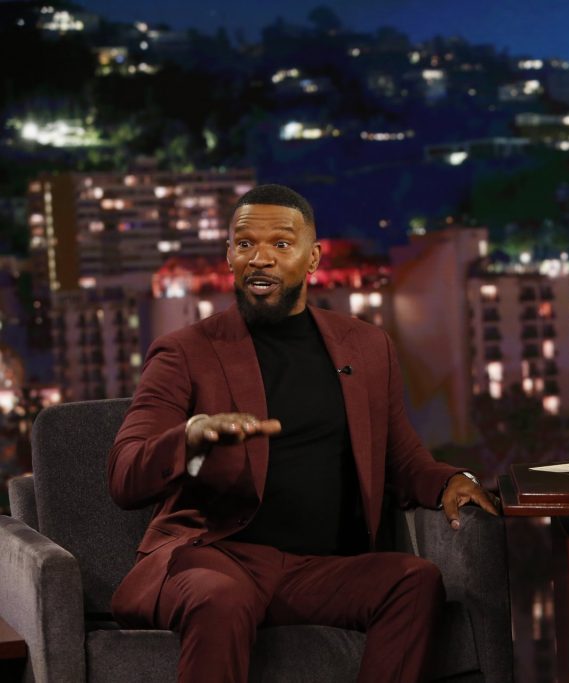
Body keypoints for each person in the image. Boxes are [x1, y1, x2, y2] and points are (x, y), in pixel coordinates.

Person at [107, 184, 499, 683]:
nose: (260, 258)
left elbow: (400, 458)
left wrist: (449, 482)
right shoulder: (183, 352)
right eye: (245, 244)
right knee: (221, 599)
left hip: (318, 570)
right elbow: (124, 476)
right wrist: (190, 438)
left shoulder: (366, 346)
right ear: (229, 255)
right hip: (216, 559)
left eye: (280, 244)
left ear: (312, 258)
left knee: (414, 580)